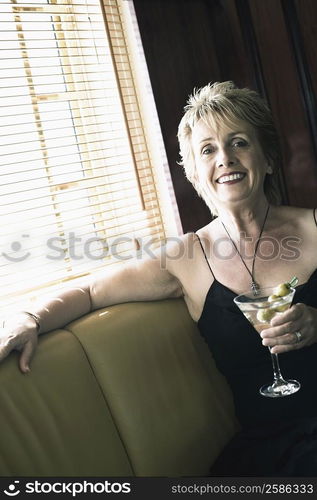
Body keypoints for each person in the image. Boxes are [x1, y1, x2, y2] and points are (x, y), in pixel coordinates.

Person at [1, 81, 317, 476]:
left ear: (268, 159)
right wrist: (29, 318)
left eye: (239, 143)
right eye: (208, 150)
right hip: (269, 452)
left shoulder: (314, 227)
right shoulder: (186, 258)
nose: (225, 158)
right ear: (196, 176)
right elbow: (90, 290)